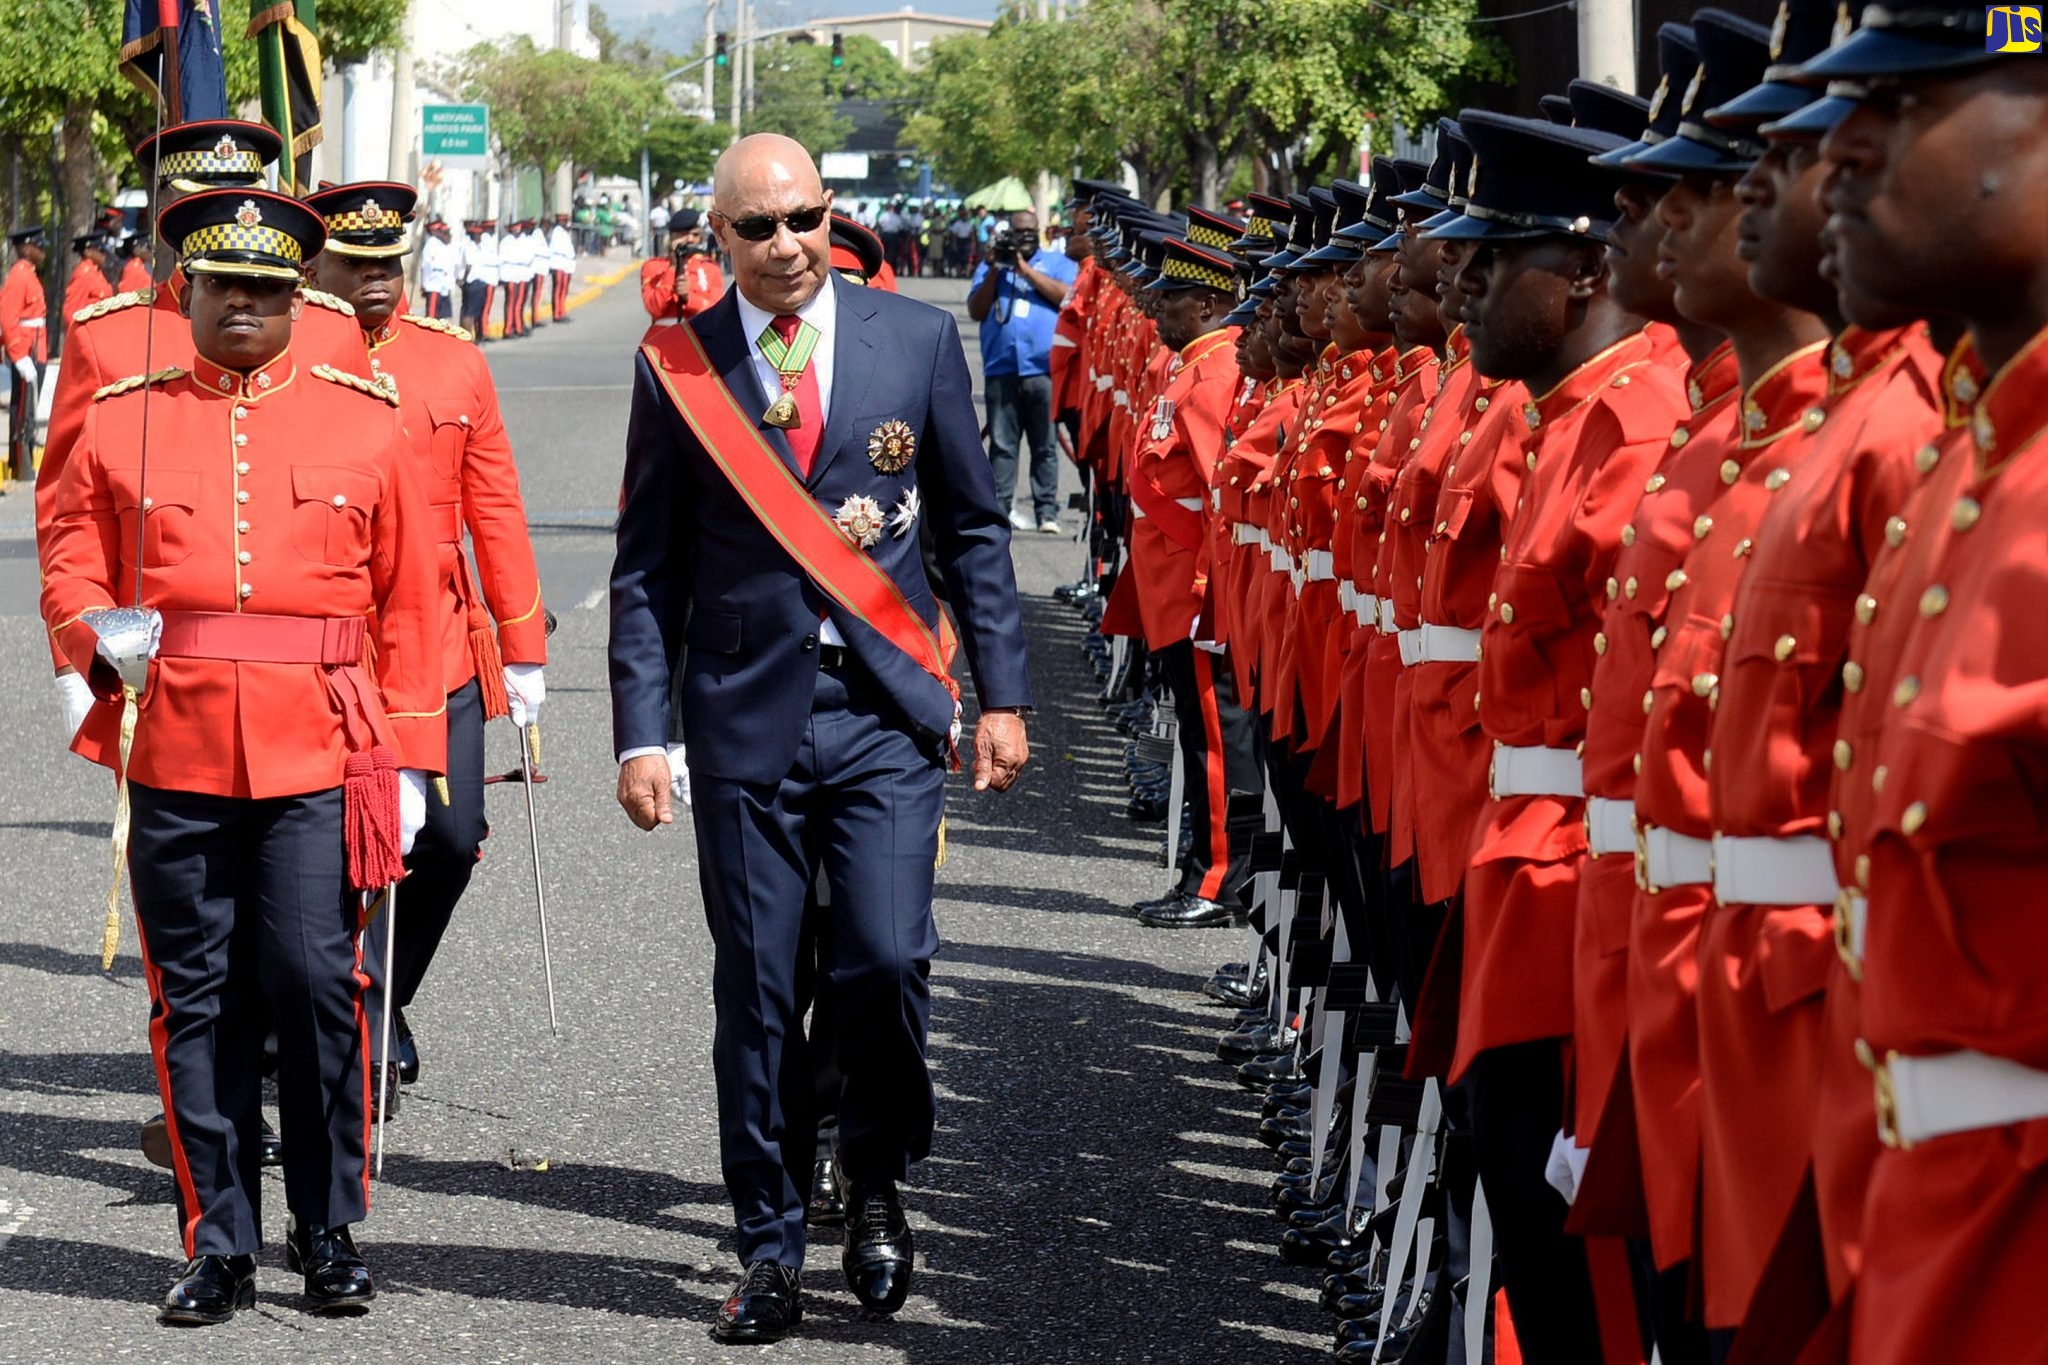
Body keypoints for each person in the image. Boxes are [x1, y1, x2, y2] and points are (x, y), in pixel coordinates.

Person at [608, 132, 1031, 1346]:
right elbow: (644, 571)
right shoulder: (676, 368)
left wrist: (998, 694)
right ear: (717, 237)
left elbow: (972, 531)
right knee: (755, 992)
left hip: (885, 714)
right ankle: (769, 1247)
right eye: (757, 228)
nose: (785, 246)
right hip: (742, 723)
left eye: (802, 219)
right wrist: (643, 732)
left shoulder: (911, 340)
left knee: (887, 961)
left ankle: (876, 1175)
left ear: (829, 215)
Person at [38, 185, 445, 1326]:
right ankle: (217, 1240)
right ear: (189, 288)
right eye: (226, 289)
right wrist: (88, 634)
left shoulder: (364, 412)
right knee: (197, 1000)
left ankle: (327, 1228)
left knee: (322, 986)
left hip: (322, 742)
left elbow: (413, 596)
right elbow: (69, 539)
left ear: (295, 297)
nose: (248, 311)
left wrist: (411, 760)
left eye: (271, 292)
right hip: (173, 740)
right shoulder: (127, 410)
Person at [303, 180, 548, 1106]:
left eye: (388, 266)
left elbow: (497, 505)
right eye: (354, 265)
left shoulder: (452, 363)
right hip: (327, 647)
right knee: (327, 848)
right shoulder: (286, 355)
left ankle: (383, 994)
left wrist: (522, 646)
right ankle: (335, 1030)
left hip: (439, 640)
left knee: (448, 837)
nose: (375, 283)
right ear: (314, 265)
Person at [967, 209, 1080, 533]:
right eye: (1019, 231)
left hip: (1042, 370)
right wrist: (994, 270)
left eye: (1030, 230)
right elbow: (977, 309)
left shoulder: (1058, 263)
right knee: (1002, 445)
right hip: (1002, 368)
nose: (1025, 236)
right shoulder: (991, 265)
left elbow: (1067, 299)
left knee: (1044, 445)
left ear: (1040, 231)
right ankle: (1000, 510)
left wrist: (1025, 270)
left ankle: (1047, 512)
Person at [3, 225, 48, 480]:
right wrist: (19, 355)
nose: (42, 251)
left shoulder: (29, 274)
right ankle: (19, 463)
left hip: (35, 347)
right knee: (21, 408)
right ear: (25, 247)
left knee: (30, 407)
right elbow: (8, 318)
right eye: (38, 246)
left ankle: (27, 453)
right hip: (26, 348)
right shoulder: (19, 276)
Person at [459, 219, 497, 341]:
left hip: (479, 281)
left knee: (473, 311)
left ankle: (472, 336)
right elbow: (469, 266)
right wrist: (463, 280)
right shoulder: (470, 246)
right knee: (469, 312)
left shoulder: (478, 246)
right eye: (478, 234)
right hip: (472, 281)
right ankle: (467, 337)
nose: (481, 236)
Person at [62, 232, 114, 321]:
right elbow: (72, 313)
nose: (104, 255)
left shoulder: (97, 273)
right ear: (87, 252)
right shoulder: (82, 275)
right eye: (100, 251)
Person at [417, 218, 457, 320]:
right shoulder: (431, 244)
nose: (445, 234)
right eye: (442, 231)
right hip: (433, 283)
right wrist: (424, 283)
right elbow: (426, 266)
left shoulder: (443, 245)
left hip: (444, 284)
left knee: (443, 315)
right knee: (432, 316)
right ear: (435, 231)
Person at [548, 212, 576, 322]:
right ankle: (557, 313)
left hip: (565, 264)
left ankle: (562, 311)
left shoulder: (565, 233)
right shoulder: (556, 233)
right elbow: (558, 249)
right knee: (558, 288)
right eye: (565, 221)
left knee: (564, 288)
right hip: (558, 263)